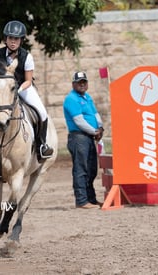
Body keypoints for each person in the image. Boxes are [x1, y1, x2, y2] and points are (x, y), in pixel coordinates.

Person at [0, 20, 53, 159]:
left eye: (16, 39)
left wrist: (18, 90)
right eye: (10, 38)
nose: (13, 41)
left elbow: (28, 80)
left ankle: (41, 145)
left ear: (21, 40)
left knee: (42, 112)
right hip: (2, 90)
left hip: (23, 88)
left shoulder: (27, 57)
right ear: (5, 39)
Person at [63, 71, 104, 209]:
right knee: (81, 169)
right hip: (79, 137)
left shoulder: (87, 97)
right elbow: (79, 121)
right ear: (73, 84)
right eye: (79, 82)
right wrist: (94, 131)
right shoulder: (71, 99)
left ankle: (91, 199)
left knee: (91, 169)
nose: (82, 84)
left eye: (84, 82)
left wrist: (100, 127)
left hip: (89, 137)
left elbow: (95, 114)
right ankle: (81, 201)